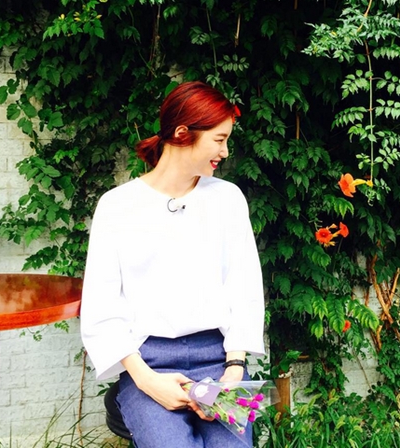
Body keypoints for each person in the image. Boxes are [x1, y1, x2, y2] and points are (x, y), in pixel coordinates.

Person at [80, 81, 265, 448]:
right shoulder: (117, 206)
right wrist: (148, 381)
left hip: (220, 361)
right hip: (148, 364)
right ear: (183, 133)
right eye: (219, 139)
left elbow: (244, 288)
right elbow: (102, 308)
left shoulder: (228, 199)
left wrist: (234, 370)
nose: (225, 151)